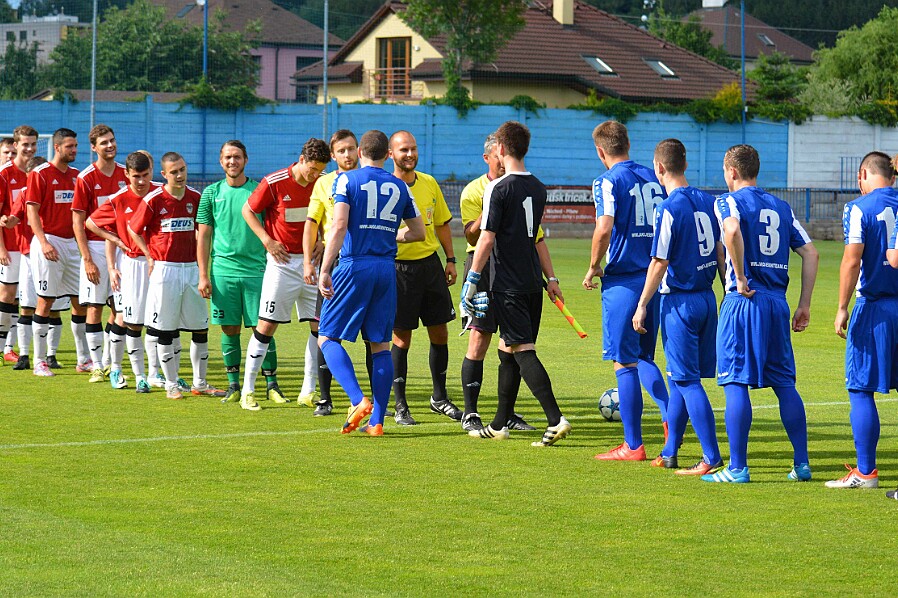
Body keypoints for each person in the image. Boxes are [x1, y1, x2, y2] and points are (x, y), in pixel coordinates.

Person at [702, 144, 818, 484]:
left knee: (735, 380)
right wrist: (804, 304)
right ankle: (802, 464)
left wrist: (738, 276)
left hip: (744, 301)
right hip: (777, 302)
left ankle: (737, 468)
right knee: (784, 384)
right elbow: (810, 253)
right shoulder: (782, 207)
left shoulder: (727, 201)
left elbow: (732, 231)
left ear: (732, 172)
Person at [463, 120, 571, 446]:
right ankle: (499, 423)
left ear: (500, 149)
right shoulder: (538, 187)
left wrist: (472, 280)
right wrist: (550, 278)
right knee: (507, 351)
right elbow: (534, 238)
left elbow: (485, 239)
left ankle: (556, 419)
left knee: (522, 351)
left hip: (506, 284)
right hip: (530, 283)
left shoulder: (499, 187)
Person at [317, 129, 424, 435]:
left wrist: (326, 269)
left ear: (361, 151)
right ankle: (376, 422)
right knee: (380, 344)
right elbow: (418, 233)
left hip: (354, 266)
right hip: (386, 269)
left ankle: (356, 400)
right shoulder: (401, 187)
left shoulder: (346, 180)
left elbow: (338, 225)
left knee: (327, 337)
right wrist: (391, 235)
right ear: (387, 154)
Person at [631, 138, 724, 475]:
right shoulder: (709, 200)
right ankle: (669, 451)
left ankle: (712, 458)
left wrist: (642, 304)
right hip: (706, 298)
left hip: (680, 303)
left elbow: (659, 261)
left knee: (686, 382)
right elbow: (719, 250)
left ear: (659, 168)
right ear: (685, 164)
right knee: (682, 379)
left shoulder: (669, 207)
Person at [586, 121, 671, 461]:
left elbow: (604, 228)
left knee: (624, 362)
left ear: (600, 151)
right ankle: (670, 423)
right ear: (628, 144)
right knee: (646, 356)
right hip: (657, 279)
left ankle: (633, 445)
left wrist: (593, 266)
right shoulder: (654, 176)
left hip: (624, 281)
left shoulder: (607, 181)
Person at [238, 138, 330, 411]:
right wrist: (267, 241)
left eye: (319, 170)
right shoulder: (275, 182)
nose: (315, 175)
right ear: (301, 159)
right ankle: (248, 391)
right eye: (312, 169)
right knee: (266, 325)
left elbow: (328, 217)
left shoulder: (324, 181)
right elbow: (248, 210)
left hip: (313, 264)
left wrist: (323, 241)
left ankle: (308, 390)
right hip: (282, 263)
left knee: (319, 327)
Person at [827, 151, 898, 491]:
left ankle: (866, 472)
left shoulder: (859, 207)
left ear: (863, 174)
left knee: (860, 388)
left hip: (874, 308)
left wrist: (842, 307)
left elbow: (852, 261)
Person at [128, 152, 224, 399]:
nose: (179, 175)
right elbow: (133, 229)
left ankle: (200, 383)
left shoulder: (195, 197)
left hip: (192, 269)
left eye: (182, 169)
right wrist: (149, 256)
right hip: (165, 270)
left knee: (200, 328)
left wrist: (204, 271)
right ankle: (171, 383)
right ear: (164, 174)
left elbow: (203, 232)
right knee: (166, 330)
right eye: (174, 172)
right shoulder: (154, 199)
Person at [197, 140, 284, 405]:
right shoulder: (211, 194)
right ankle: (233, 385)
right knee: (229, 329)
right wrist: (203, 274)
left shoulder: (258, 191)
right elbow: (203, 237)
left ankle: (272, 385)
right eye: (227, 157)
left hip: (257, 270)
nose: (232, 161)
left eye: (237, 157)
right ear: (220, 161)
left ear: (246, 159)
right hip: (223, 272)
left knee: (264, 328)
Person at [388, 130, 461, 425]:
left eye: (413, 149)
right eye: (403, 150)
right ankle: (401, 405)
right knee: (401, 338)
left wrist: (451, 259)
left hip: (430, 266)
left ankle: (439, 398)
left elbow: (443, 223)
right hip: (398, 269)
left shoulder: (429, 183)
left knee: (440, 332)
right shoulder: (387, 187)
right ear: (391, 154)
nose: (410, 154)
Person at [86, 150, 158, 394]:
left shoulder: (160, 192)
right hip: (130, 265)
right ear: (126, 174)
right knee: (123, 318)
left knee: (157, 320)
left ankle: (154, 372)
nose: (141, 181)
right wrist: (112, 263)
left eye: (145, 175)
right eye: (136, 176)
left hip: (158, 265)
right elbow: (92, 224)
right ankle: (115, 367)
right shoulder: (117, 199)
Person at [302, 129, 359, 416]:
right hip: (335, 265)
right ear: (333, 155)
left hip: (362, 262)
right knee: (325, 330)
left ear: (359, 150)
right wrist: (308, 261)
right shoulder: (324, 183)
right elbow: (312, 222)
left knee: (375, 336)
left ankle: (366, 399)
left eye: (351, 149)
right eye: (341, 151)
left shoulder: (367, 179)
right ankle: (325, 398)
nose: (347, 155)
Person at [24, 127, 88, 377]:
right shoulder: (40, 174)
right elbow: (32, 212)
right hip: (49, 241)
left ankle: (83, 359)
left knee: (79, 301)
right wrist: (43, 242)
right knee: (45, 301)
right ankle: (39, 361)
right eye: (70, 146)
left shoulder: (76, 176)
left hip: (72, 243)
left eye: (76, 146)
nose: (74, 150)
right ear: (57, 147)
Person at [72, 124, 128, 385]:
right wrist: (87, 259)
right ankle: (95, 365)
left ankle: (109, 362)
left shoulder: (125, 174)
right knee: (94, 307)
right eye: (104, 142)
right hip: (95, 247)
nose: (110, 145)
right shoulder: (86, 178)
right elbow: (79, 222)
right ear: (94, 147)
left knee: (120, 308)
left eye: (112, 141)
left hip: (121, 248)